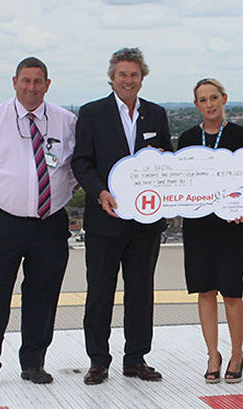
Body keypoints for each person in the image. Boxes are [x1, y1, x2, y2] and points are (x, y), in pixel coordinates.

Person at [0, 57, 77, 389]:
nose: (31, 87)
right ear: (15, 82)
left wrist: (53, 196)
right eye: (25, 81)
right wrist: (4, 194)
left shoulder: (65, 121)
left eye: (38, 81)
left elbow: (72, 171)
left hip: (50, 224)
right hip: (5, 224)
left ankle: (33, 363)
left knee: (42, 296)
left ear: (47, 84)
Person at [71, 48, 173, 385]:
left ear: (142, 77)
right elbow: (81, 162)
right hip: (105, 219)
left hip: (145, 222)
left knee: (141, 292)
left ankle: (136, 358)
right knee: (100, 291)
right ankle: (98, 360)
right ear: (112, 77)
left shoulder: (156, 114)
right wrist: (100, 192)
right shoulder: (92, 113)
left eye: (134, 74)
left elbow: (168, 163)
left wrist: (161, 160)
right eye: (122, 74)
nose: (128, 80)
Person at [176, 78, 243, 384]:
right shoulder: (187, 138)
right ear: (196, 105)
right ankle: (212, 354)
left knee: (231, 292)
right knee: (204, 291)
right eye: (203, 100)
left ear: (224, 99)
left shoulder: (241, 135)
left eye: (214, 98)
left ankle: (236, 354)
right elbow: (179, 181)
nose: (209, 104)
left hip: (231, 225)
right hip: (197, 226)